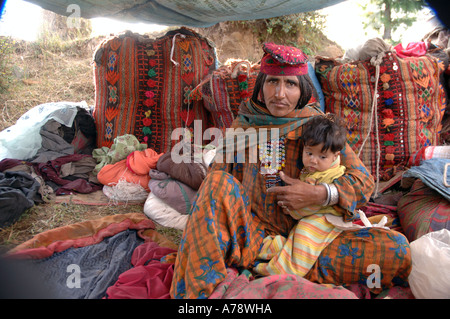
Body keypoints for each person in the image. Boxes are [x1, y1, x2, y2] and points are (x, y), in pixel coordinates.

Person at [170, 43, 411, 299]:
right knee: (217, 181)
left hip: (310, 239)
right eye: (273, 81)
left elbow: (363, 182)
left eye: (291, 84)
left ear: (303, 89)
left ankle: (278, 266)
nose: (280, 94)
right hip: (254, 236)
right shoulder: (242, 127)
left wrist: (321, 194)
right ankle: (195, 299)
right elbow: (216, 193)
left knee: (396, 250)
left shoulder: (319, 126)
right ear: (261, 86)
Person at [253, 113, 348, 276]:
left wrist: (291, 209)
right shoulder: (314, 171)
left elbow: (308, 205)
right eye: (309, 153)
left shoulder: (331, 174)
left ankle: (271, 270)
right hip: (309, 219)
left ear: (336, 156)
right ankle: (271, 247)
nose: (313, 160)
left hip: (324, 220)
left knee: (299, 252)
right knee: (294, 241)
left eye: (322, 157)